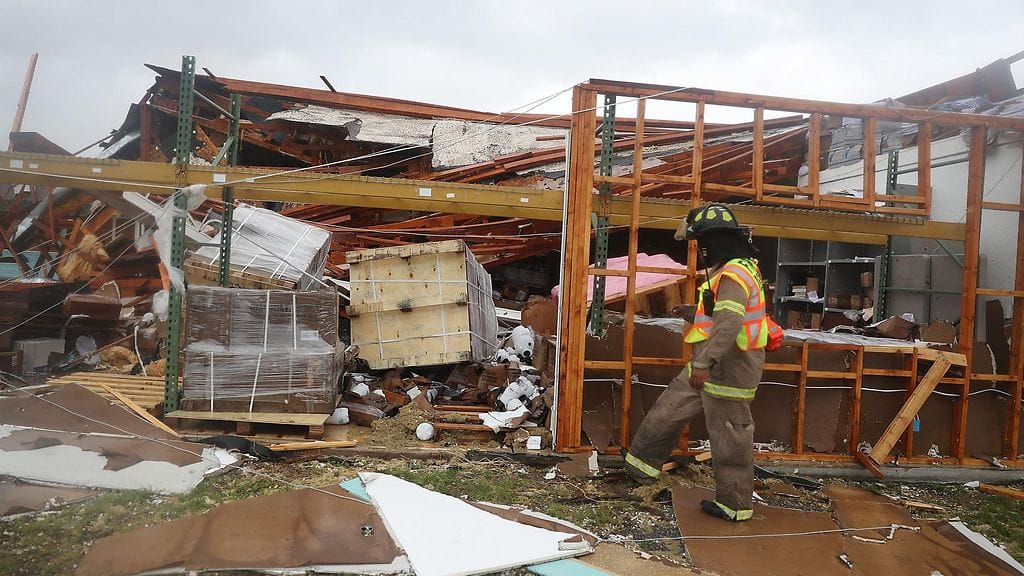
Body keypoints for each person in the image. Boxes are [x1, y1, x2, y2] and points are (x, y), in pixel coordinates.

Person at [621, 203, 773, 523]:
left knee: (730, 435)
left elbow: (729, 324)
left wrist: (704, 363)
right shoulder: (730, 269)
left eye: (699, 243)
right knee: (669, 409)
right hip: (709, 363)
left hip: (729, 369)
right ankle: (640, 465)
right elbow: (719, 313)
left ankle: (734, 505)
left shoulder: (734, 274)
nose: (699, 249)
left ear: (711, 242)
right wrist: (691, 312)